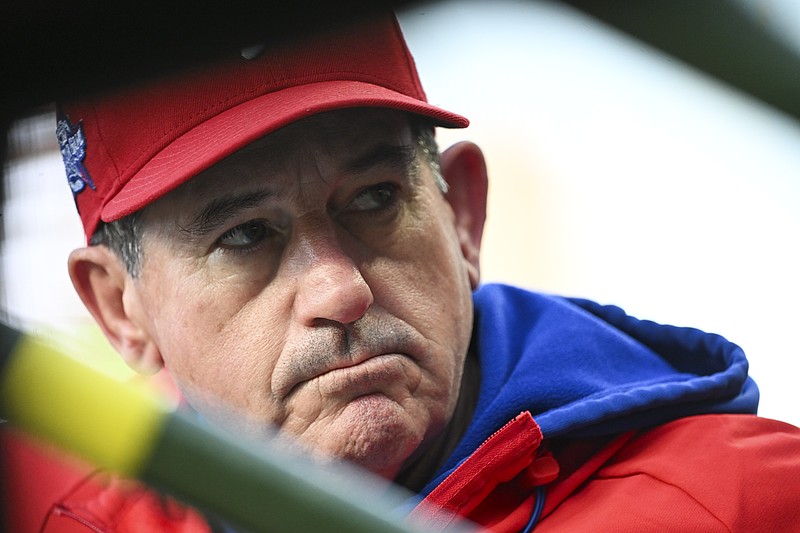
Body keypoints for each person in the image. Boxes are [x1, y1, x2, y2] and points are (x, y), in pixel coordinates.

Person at [12, 8, 800, 532]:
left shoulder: (744, 504)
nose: (339, 289)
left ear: (460, 216)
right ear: (122, 312)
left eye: (375, 198)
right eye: (246, 236)